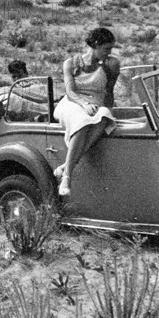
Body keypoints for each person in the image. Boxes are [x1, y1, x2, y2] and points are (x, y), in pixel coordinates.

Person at [54, 28, 119, 196]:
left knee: (105, 116)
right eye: (106, 48)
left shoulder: (110, 65)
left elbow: (109, 92)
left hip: (95, 106)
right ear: (95, 45)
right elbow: (70, 92)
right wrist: (83, 104)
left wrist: (109, 110)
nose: (109, 52)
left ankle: (65, 165)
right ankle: (67, 176)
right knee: (81, 120)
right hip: (72, 103)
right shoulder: (71, 63)